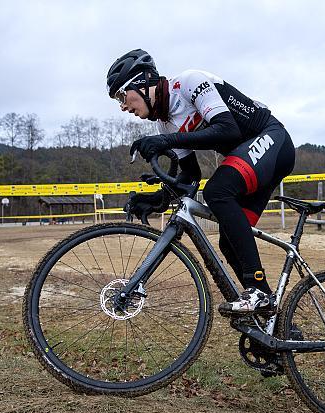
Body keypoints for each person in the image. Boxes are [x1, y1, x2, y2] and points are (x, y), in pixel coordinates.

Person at [107, 49, 296, 314]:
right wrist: (157, 199)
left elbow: (226, 128)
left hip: (274, 139)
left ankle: (257, 295)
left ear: (142, 83)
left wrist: (166, 142)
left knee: (218, 191)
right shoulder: (165, 124)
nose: (123, 107)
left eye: (121, 96)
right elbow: (190, 177)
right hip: (251, 160)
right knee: (228, 243)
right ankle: (268, 317)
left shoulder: (188, 83)